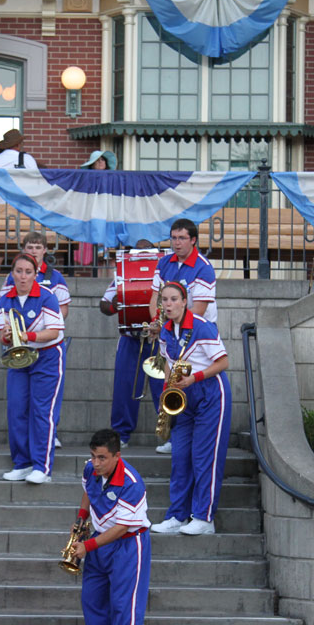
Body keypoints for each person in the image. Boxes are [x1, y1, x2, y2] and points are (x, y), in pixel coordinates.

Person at [150, 281, 231, 536]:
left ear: (185, 301)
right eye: (164, 300)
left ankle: (204, 518)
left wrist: (195, 378)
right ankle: (176, 515)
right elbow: (167, 362)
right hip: (183, 395)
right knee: (180, 457)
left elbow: (224, 361)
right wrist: (169, 385)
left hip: (209, 393)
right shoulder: (164, 330)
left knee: (203, 457)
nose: (169, 304)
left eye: (174, 299)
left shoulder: (201, 326)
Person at [73, 429, 151, 625]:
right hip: (99, 540)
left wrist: (87, 545)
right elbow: (88, 491)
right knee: (92, 600)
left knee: (123, 605)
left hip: (128, 543)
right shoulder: (91, 469)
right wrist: (81, 518)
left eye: (102, 458)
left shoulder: (132, 483)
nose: (95, 463)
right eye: (93, 456)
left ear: (117, 455)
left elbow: (122, 527)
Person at [149, 218, 217, 456]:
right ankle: (169, 432)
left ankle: (184, 437)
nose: (176, 243)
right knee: (164, 383)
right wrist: (158, 324)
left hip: (195, 337)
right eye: (173, 238)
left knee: (186, 385)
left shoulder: (203, 267)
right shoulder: (164, 262)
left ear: (193, 240)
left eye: (181, 238)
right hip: (170, 330)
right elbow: (155, 298)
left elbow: (198, 309)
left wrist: (167, 324)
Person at [0, 253, 65, 484]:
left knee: (41, 412)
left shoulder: (47, 297)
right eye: (19, 271)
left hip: (47, 357)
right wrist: (7, 337)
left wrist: (27, 335)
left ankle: (41, 467)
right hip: (20, 358)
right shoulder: (5, 299)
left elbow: (54, 332)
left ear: (36, 275)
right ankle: (22, 463)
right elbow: (3, 336)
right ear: (12, 273)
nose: (23, 276)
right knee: (16, 410)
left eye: (28, 272)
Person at [0, 232, 70, 447]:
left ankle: (48, 436)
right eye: (29, 247)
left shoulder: (55, 278)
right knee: (18, 405)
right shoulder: (10, 282)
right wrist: (10, 334)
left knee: (44, 405)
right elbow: (5, 313)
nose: (33, 251)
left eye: (38, 248)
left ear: (45, 251)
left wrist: (40, 325)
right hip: (23, 347)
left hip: (46, 347)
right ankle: (23, 457)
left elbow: (62, 311)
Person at [102, 240, 164, 448]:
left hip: (158, 338)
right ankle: (121, 434)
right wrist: (114, 305)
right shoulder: (122, 277)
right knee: (125, 386)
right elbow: (104, 304)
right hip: (131, 337)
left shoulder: (164, 275)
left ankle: (171, 435)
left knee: (163, 386)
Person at [0, 129, 38, 204]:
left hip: (1, 208)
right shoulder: (28, 159)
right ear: (18, 144)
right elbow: (36, 184)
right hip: (25, 207)